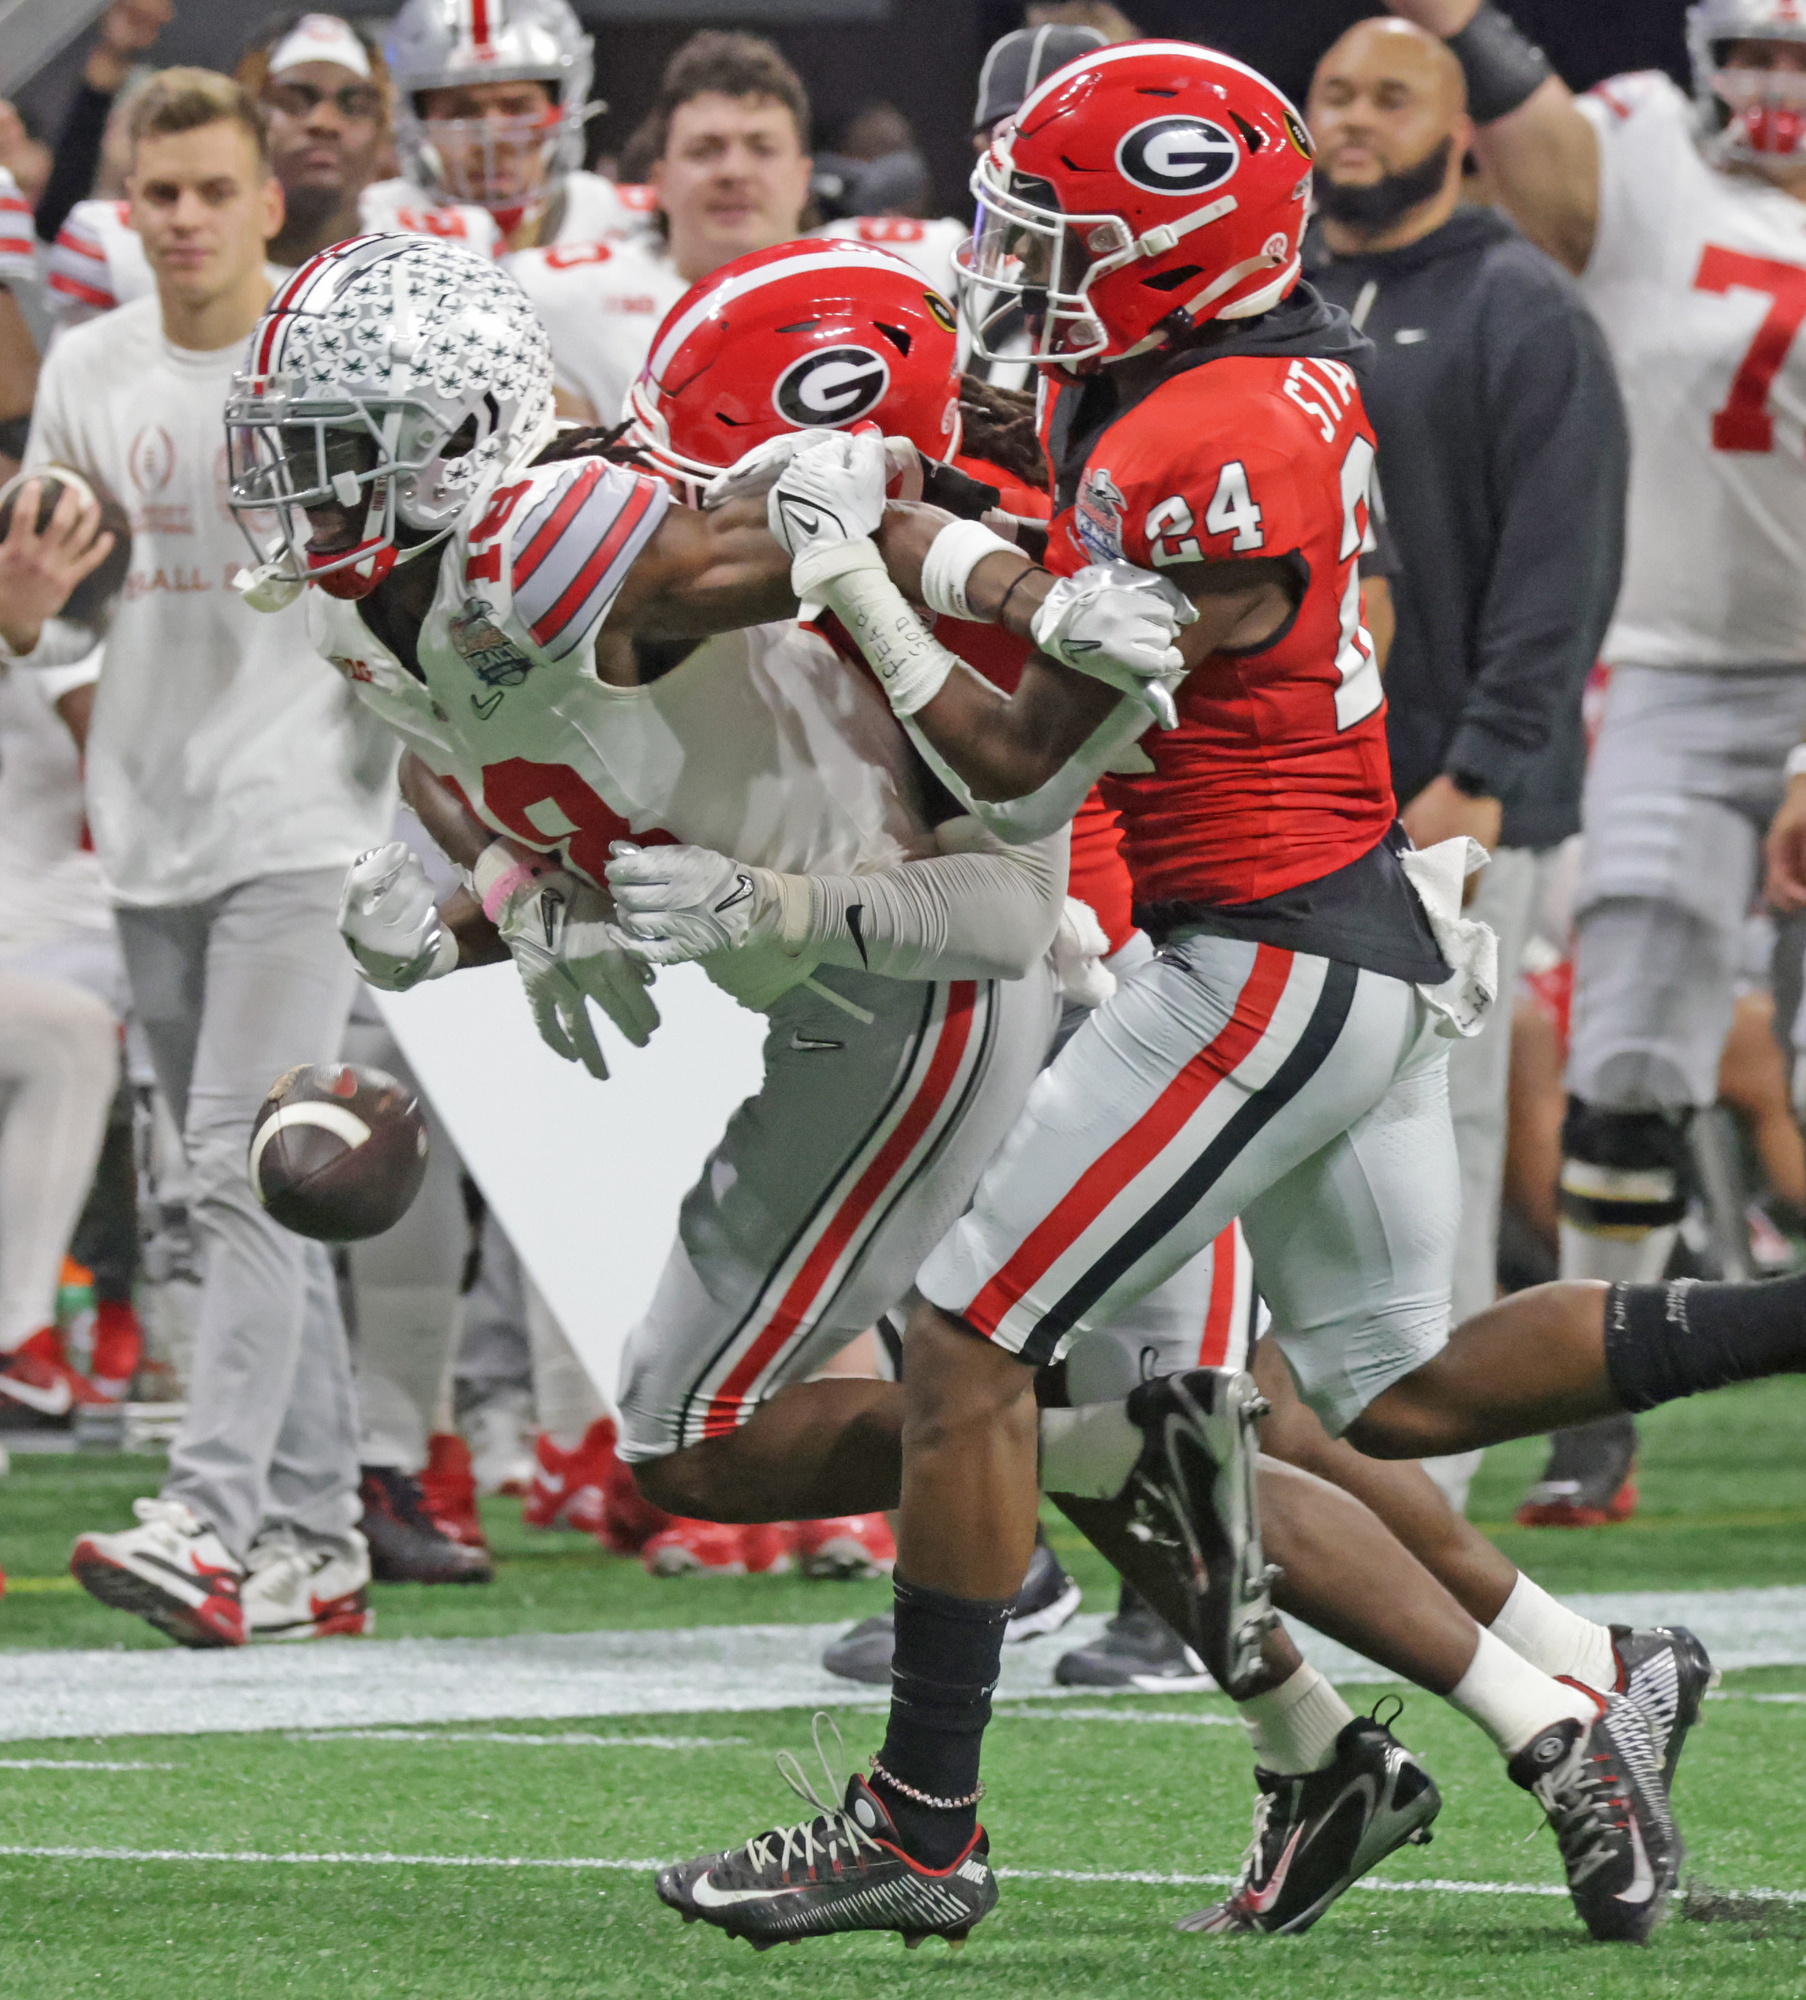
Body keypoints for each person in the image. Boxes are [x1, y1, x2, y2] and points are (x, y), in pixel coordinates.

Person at [652, 40, 1806, 1949]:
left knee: (967, 1343)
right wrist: (932, 513)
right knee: (1397, 1391)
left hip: (1253, 954)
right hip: (1332, 930)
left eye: (1062, 239)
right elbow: (1070, 613)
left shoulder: (1194, 441)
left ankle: (921, 1822)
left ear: (1172, 252)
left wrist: (863, 570)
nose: (1022, 276)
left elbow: (1024, 765)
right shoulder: (1234, 379)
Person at [1381, 0, 1806, 1521]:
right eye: (1753, 55)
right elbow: (1529, 134)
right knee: (1624, 1051)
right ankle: (1595, 1404)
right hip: (1677, 674)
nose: (1772, 91)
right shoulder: (1642, 150)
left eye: (1798, 61)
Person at [17, 70, 396, 1648]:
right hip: (153, 835)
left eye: (205, 190)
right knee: (246, 1181)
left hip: (308, 823)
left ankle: (211, 1515)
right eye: (151, 192)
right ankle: (323, 1539)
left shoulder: (323, 363)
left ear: (263, 202)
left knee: (247, 1160)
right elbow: (60, 605)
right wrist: (30, 622)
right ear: (127, 204)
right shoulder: (87, 365)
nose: (178, 218)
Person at [1304, 19, 1628, 1514]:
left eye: (1389, 98)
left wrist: (1486, 771)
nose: (1351, 122)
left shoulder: (1520, 305)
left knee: (1444, 1133)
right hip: (1302, 797)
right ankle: (1305, 1462)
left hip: (1454, 798)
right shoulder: (1276, 291)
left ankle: (1426, 1484)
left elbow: (1558, 573)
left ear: (1460, 132)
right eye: (1332, 96)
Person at [507, 33, 816, 429]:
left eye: (762, 148)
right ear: (660, 181)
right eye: (705, 150)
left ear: (804, 178)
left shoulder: (877, 287)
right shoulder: (563, 301)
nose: (734, 172)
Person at [382, 0, 644, 256]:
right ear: (416, 118)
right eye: (462, 111)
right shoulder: (377, 225)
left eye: (517, 107)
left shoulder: (621, 223)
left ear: (561, 109)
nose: (492, 136)